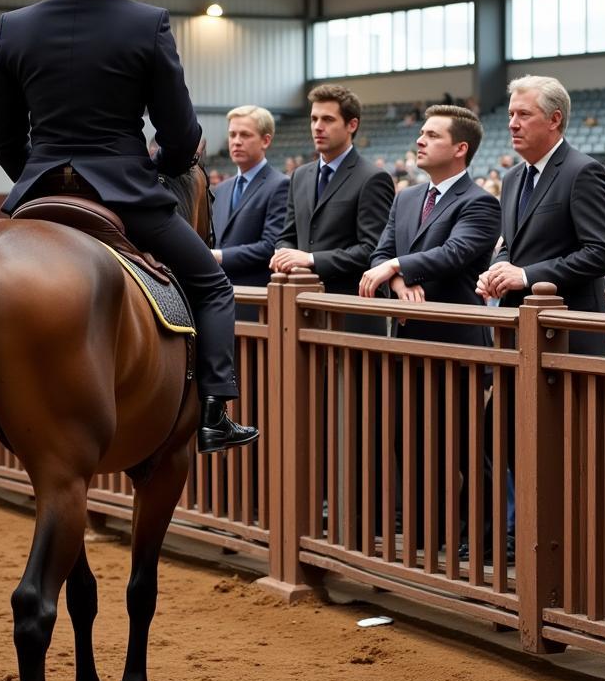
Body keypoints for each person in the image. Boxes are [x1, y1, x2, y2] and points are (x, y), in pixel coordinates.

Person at [0, 0, 256, 454]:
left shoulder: (15, 26)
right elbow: (181, 135)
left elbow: (0, 136)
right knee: (212, 285)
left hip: (39, 191)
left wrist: (38, 175)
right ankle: (214, 413)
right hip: (127, 195)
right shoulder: (147, 22)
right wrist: (165, 170)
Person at [361, 105, 501, 559]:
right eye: (420, 132)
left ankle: (477, 542)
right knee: (411, 442)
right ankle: (424, 538)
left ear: (460, 149)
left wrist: (396, 265)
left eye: (432, 135)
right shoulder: (405, 198)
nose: (420, 140)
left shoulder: (480, 201)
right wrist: (396, 277)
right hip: (410, 342)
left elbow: (456, 253)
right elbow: (379, 253)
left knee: (463, 447)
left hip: (456, 342)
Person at [475, 75, 605, 356]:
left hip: (570, 334)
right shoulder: (512, 178)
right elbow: (511, 245)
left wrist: (527, 275)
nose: (512, 123)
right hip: (518, 331)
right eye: (511, 114)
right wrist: (498, 271)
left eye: (524, 114)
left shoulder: (583, 171)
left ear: (554, 120)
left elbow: (602, 252)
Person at [271, 83, 394, 332]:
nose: (318, 126)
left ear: (352, 125)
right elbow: (287, 236)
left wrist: (311, 259)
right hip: (304, 310)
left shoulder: (372, 178)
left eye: (327, 119)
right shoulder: (300, 176)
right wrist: (283, 254)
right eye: (314, 119)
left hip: (352, 313)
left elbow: (372, 250)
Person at [211, 105, 289, 311]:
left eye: (245, 135)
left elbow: (270, 246)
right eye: (232, 134)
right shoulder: (220, 190)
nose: (236, 141)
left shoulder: (280, 185)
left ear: (266, 140)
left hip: (255, 301)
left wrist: (219, 256)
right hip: (219, 298)